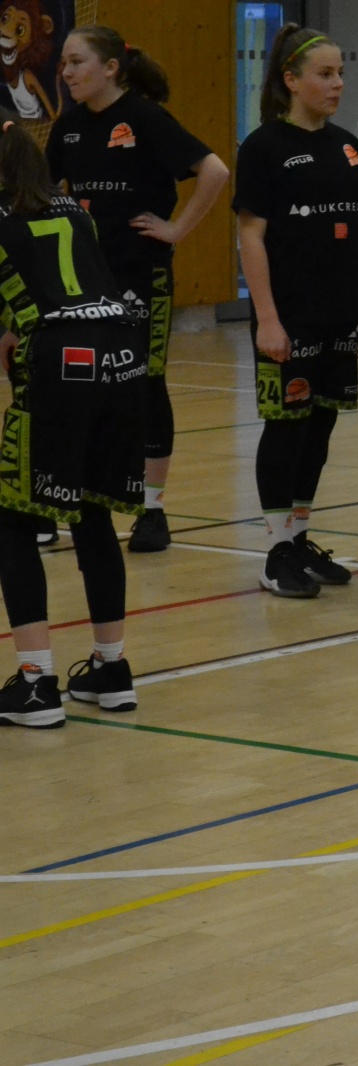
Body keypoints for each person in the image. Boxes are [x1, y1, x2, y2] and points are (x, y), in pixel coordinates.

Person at [46, 26, 230, 553]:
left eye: (76, 62)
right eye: (63, 63)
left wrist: (177, 230)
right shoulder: (69, 126)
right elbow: (41, 190)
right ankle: (67, 496)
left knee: (144, 384)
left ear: (110, 68)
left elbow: (214, 170)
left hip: (138, 276)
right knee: (78, 383)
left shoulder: (145, 118)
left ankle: (152, 508)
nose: (66, 72)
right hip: (82, 280)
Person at [0, 113, 147, 728]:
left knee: (12, 521)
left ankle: (36, 684)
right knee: (92, 513)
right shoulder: (72, 210)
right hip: (122, 354)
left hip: (61, 360)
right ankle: (111, 669)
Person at [233, 25, 358, 598]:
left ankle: (298, 537)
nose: (338, 83)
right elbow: (251, 235)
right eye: (325, 74)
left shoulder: (348, 146)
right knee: (287, 426)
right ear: (291, 80)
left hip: (339, 317)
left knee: (320, 426)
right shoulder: (264, 147)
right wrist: (268, 319)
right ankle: (276, 550)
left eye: (341, 72)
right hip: (290, 317)